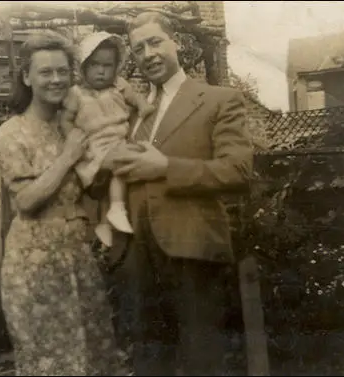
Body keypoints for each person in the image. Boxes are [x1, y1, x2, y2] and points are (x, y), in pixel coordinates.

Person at [94, 12, 254, 376]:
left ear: (176, 42)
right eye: (138, 49)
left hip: (191, 251)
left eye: (155, 42)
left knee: (202, 362)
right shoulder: (131, 114)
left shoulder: (218, 100)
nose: (147, 54)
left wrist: (166, 168)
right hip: (137, 259)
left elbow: (239, 171)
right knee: (149, 363)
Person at [0, 31, 129, 376]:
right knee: (51, 361)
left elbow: (92, 188)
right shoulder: (12, 131)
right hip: (35, 262)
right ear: (27, 77)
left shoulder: (78, 122)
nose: (56, 79)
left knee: (94, 355)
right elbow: (25, 201)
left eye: (62, 70)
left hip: (78, 254)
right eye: (45, 72)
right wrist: (69, 157)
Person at [60, 31, 154, 247]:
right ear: (83, 67)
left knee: (119, 171)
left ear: (116, 67)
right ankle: (117, 208)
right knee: (120, 166)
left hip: (118, 142)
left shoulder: (120, 86)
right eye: (94, 65)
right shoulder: (76, 94)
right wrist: (73, 142)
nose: (101, 71)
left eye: (107, 65)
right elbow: (65, 120)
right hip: (93, 149)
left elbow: (138, 102)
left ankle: (104, 222)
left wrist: (144, 107)